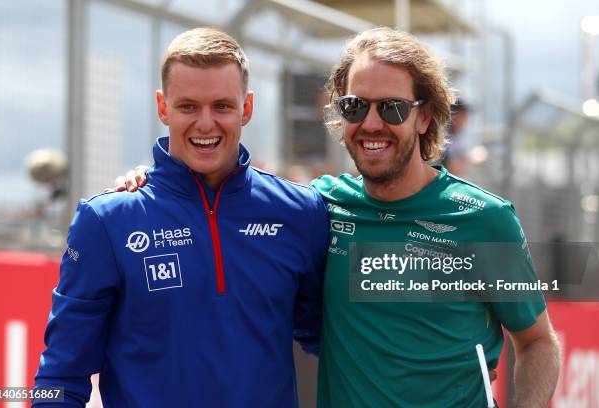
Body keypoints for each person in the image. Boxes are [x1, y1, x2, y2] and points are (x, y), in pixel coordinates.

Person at [115, 28, 560, 407]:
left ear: (424, 116)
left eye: (392, 108)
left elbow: (537, 341)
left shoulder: (486, 219)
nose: (371, 123)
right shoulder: (316, 208)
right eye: (354, 106)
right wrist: (156, 185)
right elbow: (230, 199)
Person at [34, 28, 329, 407]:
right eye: (188, 106)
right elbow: (60, 375)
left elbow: (336, 344)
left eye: (222, 106)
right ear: (163, 107)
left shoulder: (300, 212)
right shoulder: (107, 221)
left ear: (247, 107)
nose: (205, 124)